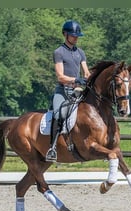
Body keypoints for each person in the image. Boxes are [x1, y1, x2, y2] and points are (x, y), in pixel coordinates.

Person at [46, 20, 91, 162]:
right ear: (65, 34)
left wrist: (90, 79)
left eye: (77, 35)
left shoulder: (80, 52)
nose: (76, 37)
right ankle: (52, 148)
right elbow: (60, 76)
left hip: (77, 92)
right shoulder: (59, 52)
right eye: (73, 35)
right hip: (62, 91)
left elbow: (86, 72)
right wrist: (76, 80)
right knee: (59, 114)